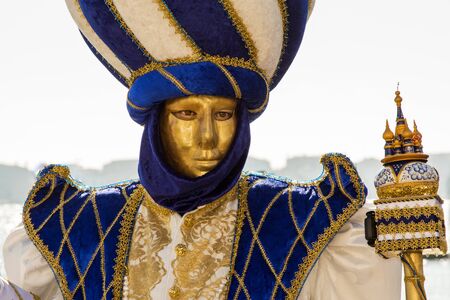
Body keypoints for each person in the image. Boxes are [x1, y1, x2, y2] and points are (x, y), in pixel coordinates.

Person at [1, 0, 401, 299]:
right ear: (158, 122)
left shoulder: (302, 224)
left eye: (224, 115)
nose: (207, 137)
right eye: (188, 114)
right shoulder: (78, 226)